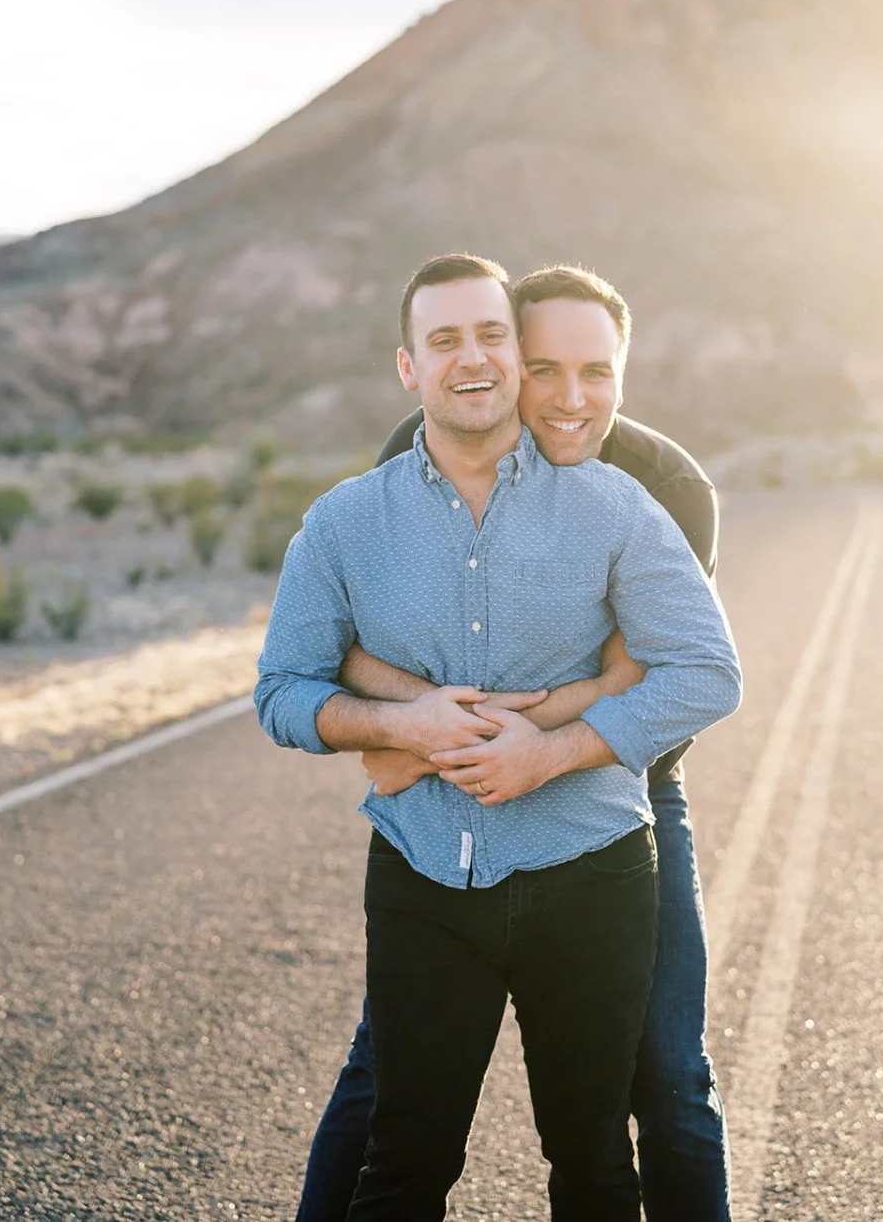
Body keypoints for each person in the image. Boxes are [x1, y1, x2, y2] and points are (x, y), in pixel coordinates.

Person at [255, 253, 741, 1222]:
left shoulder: (649, 493)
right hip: (430, 853)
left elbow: (675, 672)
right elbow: (305, 667)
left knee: (659, 1091)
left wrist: (538, 742)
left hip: (617, 810)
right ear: (417, 366)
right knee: (394, 1115)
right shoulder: (371, 498)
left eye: (592, 372)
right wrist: (412, 727)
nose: (564, 396)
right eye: (541, 365)